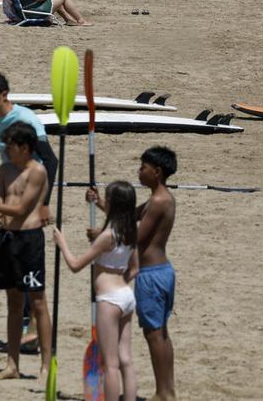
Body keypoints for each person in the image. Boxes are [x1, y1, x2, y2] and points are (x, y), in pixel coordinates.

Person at [87, 147, 178, 401]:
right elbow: (128, 218)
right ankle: (168, 390)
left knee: (153, 333)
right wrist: (100, 202)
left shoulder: (159, 201)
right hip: (162, 272)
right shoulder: (159, 198)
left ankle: (163, 392)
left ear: (157, 172)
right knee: (161, 332)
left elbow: (136, 235)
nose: (139, 171)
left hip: (151, 275)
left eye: (143, 168)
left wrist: (102, 236)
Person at [0, 123, 52, 382]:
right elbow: (0, 205)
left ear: (24, 148)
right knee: (14, 304)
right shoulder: (4, 170)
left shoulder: (37, 171)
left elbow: (21, 210)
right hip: (7, 240)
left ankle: (46, 365)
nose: (6, 150)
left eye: (10, 146)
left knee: (38, 303)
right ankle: (12, 364)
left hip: (29, 241)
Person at [54, 181, 138, 401]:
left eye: (106, 200)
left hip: (109, 299)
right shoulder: (130, 232)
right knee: (126, 360)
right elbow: (134, 268)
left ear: (113, 203)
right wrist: (119, 283)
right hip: (126, 295)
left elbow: (75, 265)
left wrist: (62, 243)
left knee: (109, 364)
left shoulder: (107, 236)